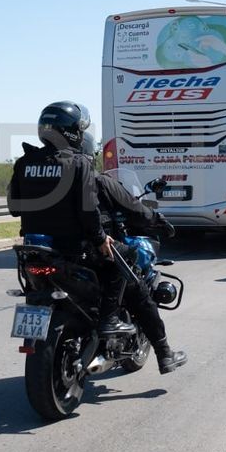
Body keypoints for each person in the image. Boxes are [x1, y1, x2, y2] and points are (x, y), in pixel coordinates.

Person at [8, 102, 185, 375]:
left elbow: (14, 207)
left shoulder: (24, 163)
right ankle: (113, 321)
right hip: (77, 248)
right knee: (126, 261)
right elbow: (87, 209)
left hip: (38, 248)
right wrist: (101, 238)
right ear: (72, 132)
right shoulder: (79, 164)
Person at [81, 133, 187, 374]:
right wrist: (156, 219)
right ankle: (164, 353)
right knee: (139, 292)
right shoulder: (100, 182)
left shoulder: (56, 180)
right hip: (99, 251)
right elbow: (135, 209)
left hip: (67, 255)